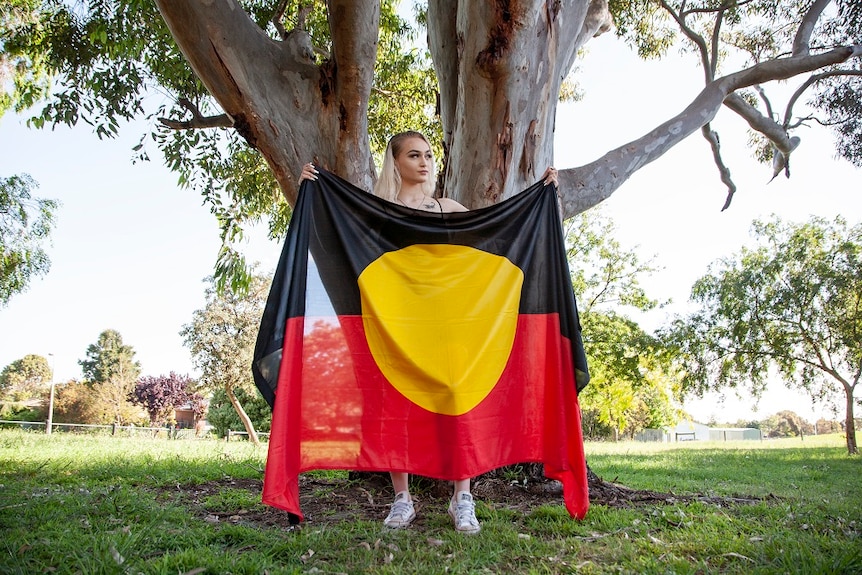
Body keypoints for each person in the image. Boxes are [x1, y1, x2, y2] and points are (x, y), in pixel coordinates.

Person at [299, 130, 559, 534]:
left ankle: (462, 498)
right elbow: (336, 238)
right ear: (396, 162)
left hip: (448, 325)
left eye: (427, 155)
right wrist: (312, 191)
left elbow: (492, 236)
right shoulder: (380, 211)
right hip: (397, 325)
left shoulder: (447, 207)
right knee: (395, 408)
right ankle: (402, 500)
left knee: (459, 399)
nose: (424, 162)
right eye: (414, 155)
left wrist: (539, 197)